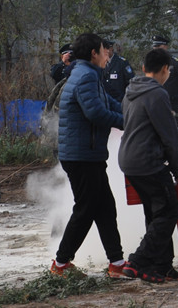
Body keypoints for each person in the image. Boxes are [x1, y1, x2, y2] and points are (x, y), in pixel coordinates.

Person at [51, 32, 129, 279]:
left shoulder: (88, 74)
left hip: (88, 154)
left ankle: (117, 263)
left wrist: (132, 113)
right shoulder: (86, 76)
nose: (108, 55)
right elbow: (96, 113)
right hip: (81, 156)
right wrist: (128, 122)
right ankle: (60, 264)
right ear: (94, 53)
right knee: (86, 209)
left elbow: (109, 103)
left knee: (105, 207)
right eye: (104, 51)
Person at [118, 49, 178, 283]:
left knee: (155, 212)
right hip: (147, 161)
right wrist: (177, 169)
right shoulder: (157, 93)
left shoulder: (131, 91)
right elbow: (168, 136)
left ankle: (162, 266)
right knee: (169, 211)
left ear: (144, 67)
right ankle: (138, 262)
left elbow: (144, 125)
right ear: (165, 69)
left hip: (129, 159)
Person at [152, 35, 178, 123]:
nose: (156, 48)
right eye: (154, 46)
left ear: (165, 46)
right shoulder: (151, 62)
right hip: (157, 101)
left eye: (158, 46)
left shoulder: (174, 61)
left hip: (173, 102)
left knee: (176, 125)